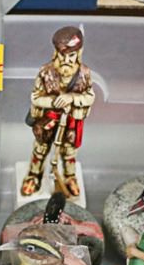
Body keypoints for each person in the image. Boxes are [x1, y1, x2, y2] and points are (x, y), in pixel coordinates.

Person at [21, 26, 96, 199]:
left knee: (69, 152)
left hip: (71, 121)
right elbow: (35, 97)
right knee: (40, 149)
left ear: (78, 53)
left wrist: (72, 98)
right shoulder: (45, 72)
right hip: (49, 119)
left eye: (71, 55)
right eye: (63, 55)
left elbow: (89, 97)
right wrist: (53, 102)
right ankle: (34, 175)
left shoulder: (84, 73)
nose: (66, 60)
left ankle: (69, 177)